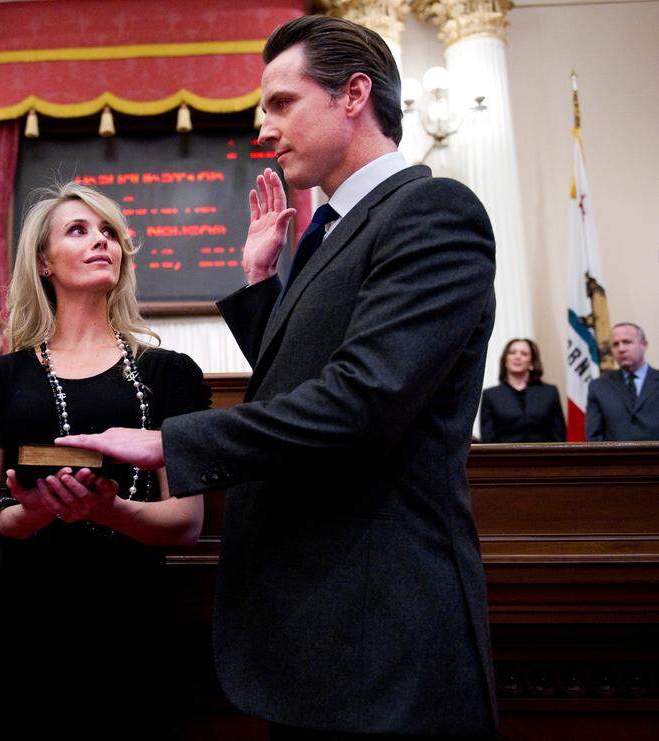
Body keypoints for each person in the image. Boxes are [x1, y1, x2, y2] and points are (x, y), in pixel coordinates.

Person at [58, 16, 497, 739]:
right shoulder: (333, 229)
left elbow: (362, 403)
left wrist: (171, 441)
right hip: (321, 632)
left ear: (354, 94)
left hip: (383, 635)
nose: (265, 129)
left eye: (282, 103)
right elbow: (302, 385)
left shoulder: (429, 210)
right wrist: (262, 283)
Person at [0, 182, 209, 740]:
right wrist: (34, 513)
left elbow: (187, 522)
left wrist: (106, 510)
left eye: (110, 232)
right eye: (79, 230)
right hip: (33, 623)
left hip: (137, 621)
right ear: (43, 262)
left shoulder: (168, 374)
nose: (102, 242)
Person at [480, 338, 566, 443]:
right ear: (505, 360)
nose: (518, 357)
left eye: (524, 354)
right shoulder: (491, 395)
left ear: (532, 362)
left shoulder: (549, 392)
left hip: (544, 457)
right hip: (505, 458)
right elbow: (488, 440)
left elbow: (559, 436)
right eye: (512, 353)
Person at [586, 322, 659, 441]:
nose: (621, 349)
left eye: (627, 342)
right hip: (615, 458)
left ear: (644, 345)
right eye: (615, 344)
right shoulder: (599, 386)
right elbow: (594, 437)